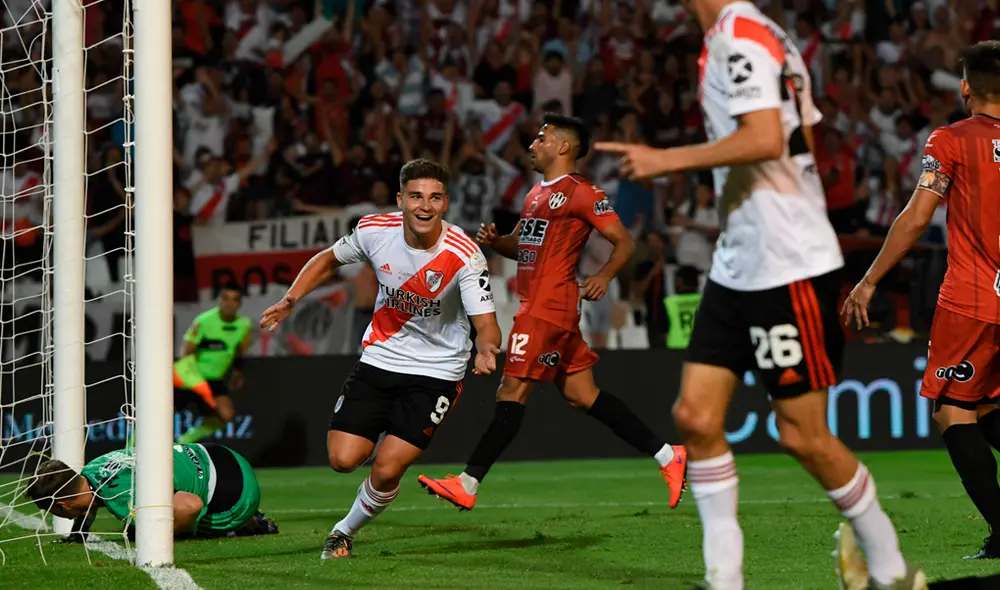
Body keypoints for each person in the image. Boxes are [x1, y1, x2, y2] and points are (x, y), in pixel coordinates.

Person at [594, 0, 925, 588]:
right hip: (740, 260)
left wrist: (668, 159)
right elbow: (801, 133)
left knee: (803, 435)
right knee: (694, 417)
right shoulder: (754, 31)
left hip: (787, 264)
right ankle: (725, 581)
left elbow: (768, 136)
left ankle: (891, 568)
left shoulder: (739, 35)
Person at [417, 114, 689, 511]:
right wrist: (499, 243)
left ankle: (468, 482)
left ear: (563, 147)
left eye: (541, 138)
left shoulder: (581, 192)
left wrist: (604, 275)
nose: (532, 144)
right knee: (583, 395)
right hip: (543, 306)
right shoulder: (534, 195)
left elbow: (623, 242)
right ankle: (669, 456)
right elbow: (525, 248)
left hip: (548, 308)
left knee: (512, 391)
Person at [259, 159, 501, 560]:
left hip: (437, 372)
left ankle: (343, 531)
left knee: (387, 469)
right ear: (400, 200)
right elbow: (326, 259)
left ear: (446, 203)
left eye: (435, 198)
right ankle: (381, 454)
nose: (425, 206)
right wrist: (291, 299)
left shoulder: (464, 254)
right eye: (416, 197)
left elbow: (487, 324)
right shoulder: (375, 230)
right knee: (342, 459)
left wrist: (487, 348)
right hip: (380, 360)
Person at [842, 40, 1000, 563]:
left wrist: (868, 281)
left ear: (965, 87)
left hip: (974, 299)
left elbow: (915, 217)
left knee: (954, 413)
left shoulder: (950, 140)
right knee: (988, 407)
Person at [26, 443, 277, 539]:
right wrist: (78, 534)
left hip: (237, 494)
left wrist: (160, 537)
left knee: (147, 530)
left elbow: (191, 505)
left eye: (51, 510)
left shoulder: (122, 500)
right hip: (219, 453)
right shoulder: (93, 468)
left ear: (63, 506)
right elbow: (88, 498)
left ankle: (249, 522)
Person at [173, 286, 253, 444]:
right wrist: (186, 375)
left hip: (214, 379)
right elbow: (186, 350)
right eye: (225, 298)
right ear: (219, 301)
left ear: (239, 303)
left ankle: (184, 441)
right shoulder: (204, 321)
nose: (229, 303)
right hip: (192, 377)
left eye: (234, 299)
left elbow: (239, 351)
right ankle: (131, 447)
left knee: (226, 415)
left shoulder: (244, 325)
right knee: (162, 417)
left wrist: (238, 372)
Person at [664, 265, 702, 350]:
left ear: (679, 282)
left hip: (675, 350)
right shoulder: (705, 302)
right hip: (700, 350)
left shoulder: (669, 302)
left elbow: (664, 331)